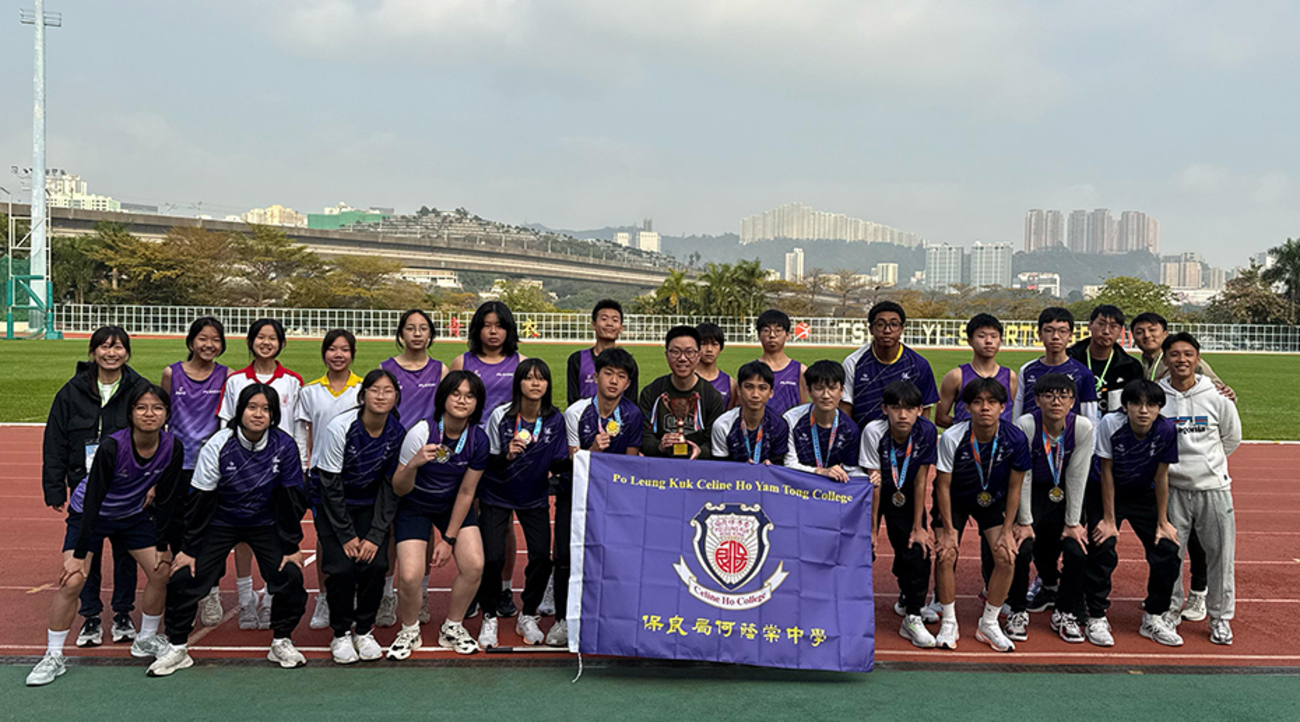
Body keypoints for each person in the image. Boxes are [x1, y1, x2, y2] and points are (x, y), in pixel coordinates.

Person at [27, 384, 184, 686]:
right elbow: (93, 500)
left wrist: (163, 546)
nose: (149, 414)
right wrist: (79, 555)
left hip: (131, 515)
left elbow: (166, 499)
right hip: (91, 515)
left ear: (167, 414)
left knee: (161, 571)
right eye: (141, 407)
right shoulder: (113, 446)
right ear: (130, 413)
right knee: (73, 580)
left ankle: (146, 639)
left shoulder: (172, 446)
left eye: (157, 408)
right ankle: (53, 656)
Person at [148, 384, 310, 677]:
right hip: (221, 521)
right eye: (252, 407)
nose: (258, 414)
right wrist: (189, 549)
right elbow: (200, 499)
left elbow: (290, 498)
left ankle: (281, 640)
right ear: (239, 410)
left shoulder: (284, 445)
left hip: (265, 523)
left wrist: (291, 544)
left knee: (290, 575)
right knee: (186, 575)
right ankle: (178, 647)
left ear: (273, 415)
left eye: (266, 409)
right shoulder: (219, 443)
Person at [1058, 379, 1183, 648]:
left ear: (1160, 408)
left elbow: (1162, 477)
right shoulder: (1110, 425)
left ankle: (1154, 616)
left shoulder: (1166, 430)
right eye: (1136, 403)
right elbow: (1106, 471)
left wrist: (1163, 522)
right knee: (1103, 545)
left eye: (1151, 405)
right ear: (1125, 406)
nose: (1143, 410)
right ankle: (1096, 615)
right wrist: (1109, 520)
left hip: (1142, 494)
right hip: (1105, 488)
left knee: (1167, 549)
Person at [1130, 311, 1235, 623]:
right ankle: (1168, 603)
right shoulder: (1143, 364)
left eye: (1153, 330)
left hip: (1206, 480)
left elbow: (1225, 415)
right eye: (1140, 331)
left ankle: (1201, 594)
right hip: (1168, 478)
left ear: (1164, 332)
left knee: (1205, 545)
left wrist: (1208, 459)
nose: (1146, 335)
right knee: (1170, 543)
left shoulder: (1185, 360)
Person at [42, 326, 143, 649]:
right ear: (92, 351)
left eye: (117, 347)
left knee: (126, 554)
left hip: (127, 487)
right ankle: (90, 616)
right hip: (84, 486)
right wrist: (55, 488)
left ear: (127, 352)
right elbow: (55, 441)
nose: (111, 353)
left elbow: (152, 432)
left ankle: (124, 613)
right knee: (88, 553)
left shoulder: (139, 388)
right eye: (104, 347)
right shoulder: (71, 392)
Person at [388, 371, 488, 658]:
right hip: (414, 504)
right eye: (456, 393)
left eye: (470, 396)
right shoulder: (421, 432)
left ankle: (452, 627)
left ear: (477, 404)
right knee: (409, 574)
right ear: (443, 397)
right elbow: (399, 487)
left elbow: (468, 492)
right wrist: (414, 464)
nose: (462, 400)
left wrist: (448, 539)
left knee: (474, 564)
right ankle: (409, 630)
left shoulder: (478, 440)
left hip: (451, 506)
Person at [218, 318, 306, 630]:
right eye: (260, 337)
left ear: (282, 343)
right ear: (250, 342)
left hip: (279, 472)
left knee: (276, 535)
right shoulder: (235, 381)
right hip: (241, 474)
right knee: (242, 538)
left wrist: (301, 465)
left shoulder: (293, 381)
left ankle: (270, 600)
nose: (266, 343)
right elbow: (225, 426)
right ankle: (245, 603)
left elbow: (298, 427)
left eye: (272, 338)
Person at [933, 378, 1032, 652]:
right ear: (967, 407)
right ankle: (949, 621)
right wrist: (949, 530)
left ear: (1003, 406)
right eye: (977, 402)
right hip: (954, 499)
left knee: (1006, 556)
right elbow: (942, 485)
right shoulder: (953, 436)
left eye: (991, 402)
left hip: (992, 500)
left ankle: (988, 623)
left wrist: (1007, 528)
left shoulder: (1015, 438)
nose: (984, 408)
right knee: (946, 553)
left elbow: (1015, 486)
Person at [314, 370, 405, 664]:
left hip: (369, 503)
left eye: (388, 390)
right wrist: (347, 535)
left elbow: (390, 486)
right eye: (374, 390)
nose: (381, 396)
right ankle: (340, 633)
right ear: (363, 395)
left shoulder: (396, 431)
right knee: (341, 568)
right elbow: (329, 484)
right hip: (333, 502)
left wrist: (376, 534)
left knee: (376, 563)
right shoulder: (340, 427)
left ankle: (364, 629)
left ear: (396, 397)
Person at [477, 360, 569, 649]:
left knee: (542, 557)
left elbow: (558, 462)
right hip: (496, 493)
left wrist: (589, 454)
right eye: (528, 378)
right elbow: (487, 460)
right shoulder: (500, 416)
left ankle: (527, 614)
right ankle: (489, 615)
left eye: (541, 379)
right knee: (492, 558)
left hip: (534, 496)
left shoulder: (555, 419)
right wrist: (507, 455)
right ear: (518, 383)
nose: (535, 384)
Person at [555, 348, 644, 646]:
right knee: (567, 557)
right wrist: (591, 452)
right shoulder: (576, 412)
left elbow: (630, 462)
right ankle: (562, 619)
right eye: (608, 374)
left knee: (610, 558)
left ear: (628, 383)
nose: (614, 381)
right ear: (596, 376)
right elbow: (569, 458)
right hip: (576, 494)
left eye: (621, 376)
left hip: (613, 498)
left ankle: (608, 618)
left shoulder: (632, 415)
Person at [1159, 333, 1242, 645]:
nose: (1181, 360)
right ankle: (1169, 611)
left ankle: (1220, 617)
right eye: (1175, 354)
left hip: (1213, 489)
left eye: (1188, 354)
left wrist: (1209, 465)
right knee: (1171, 556)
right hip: (1172, 490)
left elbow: (1231, 438)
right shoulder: (1158, 396)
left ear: (1197, 358)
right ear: (1165, 360)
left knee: (1220, 555)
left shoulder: (1217, 397)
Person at [449, 301, 526, 618]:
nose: (493, 331)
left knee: (503, 523)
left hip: (504, 456)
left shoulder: (520, 362)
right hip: (468, 452)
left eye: (499, 325)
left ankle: (504, 589)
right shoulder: (461, 362)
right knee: (468, 520)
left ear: (508, 330)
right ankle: (473, 587)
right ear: (477, 328)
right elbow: (450, 406)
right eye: (487, 325)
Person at [1007, 374, 1095, 643]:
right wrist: (1024, 520)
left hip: (1065, 493)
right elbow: (1023, 474)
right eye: (1049, 395)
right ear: (1037, 400)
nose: (1056, 401)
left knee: (1076, 551)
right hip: (1031, 491)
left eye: (1063, 396)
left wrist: (1073, 522)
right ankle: (1017, 609)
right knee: (1022, 549)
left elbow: (1077, 476)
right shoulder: (1026, 424)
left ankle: (1065, 610)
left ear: (1072, 401)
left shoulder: (1081, 427)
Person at [378, 309, 445, 627]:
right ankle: (387, 594)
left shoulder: (440, 369)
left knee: (425, 525)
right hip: (394, 456)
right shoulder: (386, 369)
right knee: (390, 527)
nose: (417, 334)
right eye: (410, 328)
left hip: (428, 457)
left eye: (423, 328)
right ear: (401, 333)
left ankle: (421, 592)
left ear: (430, 334)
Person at [162, 317, 230, 628]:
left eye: (215, 339)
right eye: (203, 338)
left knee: (209, 531)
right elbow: (163, 421)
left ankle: (212, 590)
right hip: (178, 467)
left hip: (210, 468)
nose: (209, 345)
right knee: (178, 531)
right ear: (191, 341)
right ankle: (182, 594)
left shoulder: (227, 376)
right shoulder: (171, 374)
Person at [860, 381, 938, 648]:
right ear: (885, 409)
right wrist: (872, 530)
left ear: (920, 410)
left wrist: (918, 526)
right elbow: (875, 481)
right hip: (874, 491)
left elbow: (920, 480)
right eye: (896, 408)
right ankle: (852, 611)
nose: (902, 415)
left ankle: (912, 613)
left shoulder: (927, 431)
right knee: (862, 550)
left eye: (909, 408)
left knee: (917, 550)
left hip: (906, 492)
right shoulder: (874, 432)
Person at [298, 329, 364, 631]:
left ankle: (354, 597)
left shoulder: (363, 390)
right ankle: (325, 598)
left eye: (344, 350)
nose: (338, 355)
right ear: (324, 353)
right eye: (332, 349)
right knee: (327, 540)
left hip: (358, 477)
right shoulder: (310, 392)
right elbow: (303, 433)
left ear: (352, 354)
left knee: (359, 539)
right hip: (323, 477)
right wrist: (303, 465)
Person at [841, 301, 939, 428]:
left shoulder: (919, 365)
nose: (887, 330)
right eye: (881, 324)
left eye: (894, 324)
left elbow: (925, 410)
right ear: (871, 329)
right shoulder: (853, 363)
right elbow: (845, 407)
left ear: (902, 329)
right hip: (863, 440)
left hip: (904, 442)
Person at [639, 326, 726, 459]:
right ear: (666, 355)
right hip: (660, 469)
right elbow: (643, 435)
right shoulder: (652, 392)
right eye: (675, 352)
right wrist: (659, 446)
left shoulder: (711, 396)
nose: (682, 358)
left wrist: (700, 451)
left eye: (689, 352)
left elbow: (715, 440)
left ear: (698, 356)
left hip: (697, 470)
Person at [1012, 307, 1099, 422]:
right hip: (1032, 437)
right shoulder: (1028, 370)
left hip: (1068, 437)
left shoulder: (1083, 373)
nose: (1056, 337)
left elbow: (1090, 419)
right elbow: (1018, 409)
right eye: (1049, 330)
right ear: (1039, 334)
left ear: (1071, 335)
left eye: (1062, 331)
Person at [782, 361, 862, 481]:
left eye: (832, 388)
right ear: (809, 390)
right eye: (819, 388)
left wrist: (870, 478)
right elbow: (788, 464)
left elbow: (852, 470)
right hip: (798, 488)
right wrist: (821, 472)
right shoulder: (791, 419)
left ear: (841, 391)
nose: (826, 395)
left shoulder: (850, 430)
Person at [936, 314, 1017, 427]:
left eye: (994, 336)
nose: (988, 341)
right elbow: (940, 418)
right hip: (967, 442)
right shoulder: (956, 376)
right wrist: (967, 429)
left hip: (1001, 443)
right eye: (981, 336)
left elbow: (1009, 412)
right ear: (970, 341)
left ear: (1000, 341)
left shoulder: (1010, 376)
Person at [1067, 305, 1144, 417]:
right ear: (1090, 325)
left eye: (1114, 326)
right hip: (1074, 427)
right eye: (1101, 324)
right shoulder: (1069, 359)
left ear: (1120, 331)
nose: (1106, 331)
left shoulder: (1131, 367)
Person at [711, 361, 789, 465]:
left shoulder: (779, 425)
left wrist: (771, 465)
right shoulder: (722, 425)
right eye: (749, 387)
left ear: (771, 393)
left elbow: (780, 465)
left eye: (762, 388)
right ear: (739, 390)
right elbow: (720, 467)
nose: (755, 394)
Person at [567, 299, 638, 404]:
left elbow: (631, 403)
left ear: (621, 328)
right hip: (584, 419)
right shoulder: (577, 359)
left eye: (615, 320)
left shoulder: (628, 362)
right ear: (593, 325)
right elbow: (573, 401)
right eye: (604, 319)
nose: (609, 324)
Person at [755, 310, 806, 417]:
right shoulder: (751, 371)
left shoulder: (800, 371)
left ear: (787, 335)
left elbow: (803, 408)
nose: (772, 335)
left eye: (778, 331)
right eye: (766, 330)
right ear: (759, 335)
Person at [696, 323, 736, 409]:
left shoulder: (731, 384)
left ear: (721, 348)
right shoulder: (686, 379)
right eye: (703, 344)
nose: (709, 349)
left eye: (714, 344)